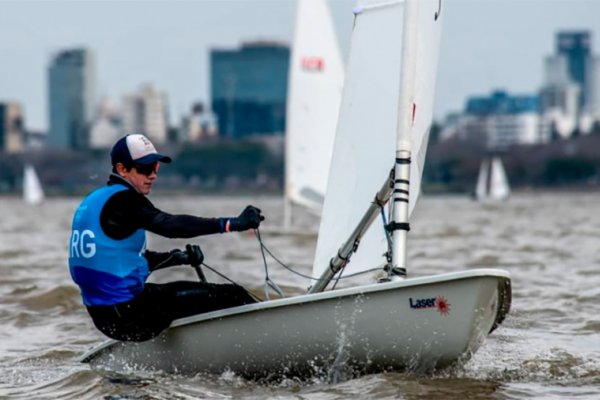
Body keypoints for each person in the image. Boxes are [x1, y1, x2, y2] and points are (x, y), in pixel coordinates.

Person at [68, 133, 264, 342]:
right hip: (130, 315)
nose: (153, 175)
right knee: (232, 295)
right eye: (144, 168)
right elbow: (169, 225)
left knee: (180, 296)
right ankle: (265, 342)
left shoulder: (95, 200)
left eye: (155, 167)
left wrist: (178, 257)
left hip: (106, 317)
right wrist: (232, 223)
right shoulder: (125, 201)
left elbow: (118, 262)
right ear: (122, 169)